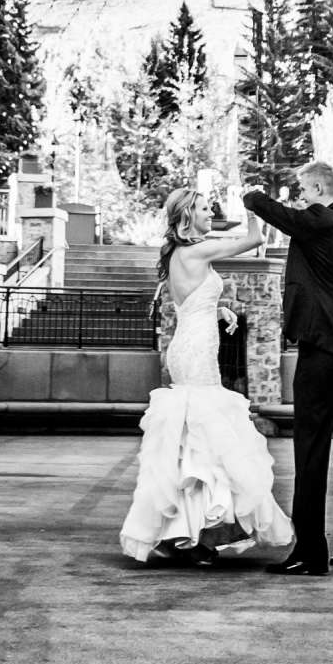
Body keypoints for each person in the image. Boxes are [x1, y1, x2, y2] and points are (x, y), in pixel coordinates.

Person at [117, 179, 294, 567]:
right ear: (185, 217)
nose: (209, 214)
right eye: (201, 209)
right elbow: (253, 240)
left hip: (190, 345)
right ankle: (198, 534)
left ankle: (179, 532)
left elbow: (191, 301)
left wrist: (220, 309)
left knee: (191, 435)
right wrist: (252, 206)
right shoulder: (199, 250)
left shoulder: (182, 254)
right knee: (203, 435)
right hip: (196, 352)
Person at [242, 159, 333, 576]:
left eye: (304, 190)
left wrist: (250, 196)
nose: (300, 197)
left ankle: (310, 551)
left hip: (320, 349)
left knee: (310, 449)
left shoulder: (317, 221)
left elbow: (280, 214)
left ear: (318, 187)